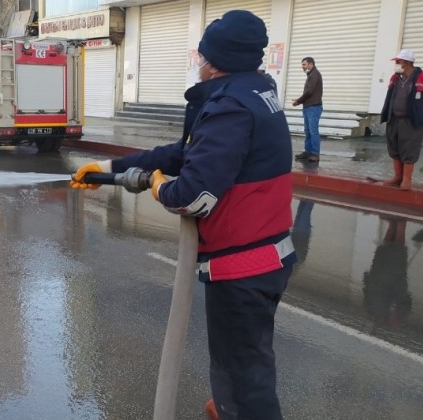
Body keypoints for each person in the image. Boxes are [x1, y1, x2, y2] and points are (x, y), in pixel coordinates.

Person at [71, 10, 295, 420]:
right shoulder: (255, 90)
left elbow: (192, 197)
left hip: (243, 266)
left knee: (248, 373)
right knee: (242, 360)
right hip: (266, 255)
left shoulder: (230, 108)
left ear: (215, 59)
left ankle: (240, 406)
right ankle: (230, 404)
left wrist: (159, 187)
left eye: (202, 54)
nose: (198, 61)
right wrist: (112, 170)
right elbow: (183, 154)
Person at [379, 49, 423, 191]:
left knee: (409, 150)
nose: (396, 64)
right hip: (393, 119)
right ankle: (397, 177)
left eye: (398, 61)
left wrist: (421, 110)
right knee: (394, 149)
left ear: (406, 63)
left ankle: (406, 180)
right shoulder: (395, 77)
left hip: (411, 121)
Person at [292, 57, 323, 162]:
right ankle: (308, 151)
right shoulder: (311, 75)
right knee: (308, 131)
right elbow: (309, 92)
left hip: (313, 107)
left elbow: (309, 92)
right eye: (302, 65)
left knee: (313, 131)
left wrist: (298, 101)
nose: (303, 67)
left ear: (311, 64)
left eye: (304, 64)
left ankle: (315, 153)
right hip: (308, 106)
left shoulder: (314, 75)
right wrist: (300, 100)